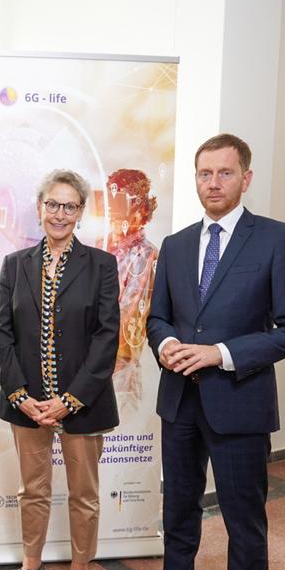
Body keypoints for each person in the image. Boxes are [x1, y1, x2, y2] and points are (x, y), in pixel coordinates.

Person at [119, 134, 285, 570]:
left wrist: (222, 354)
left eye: (224, 173)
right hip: (180, 402)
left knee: (243, 523)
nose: (213, 183)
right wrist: (166, 344)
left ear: (245, 178)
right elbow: (157, 319)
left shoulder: (277, 240)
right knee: (178, 505)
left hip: (239, 405)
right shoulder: (177, 245)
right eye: (205, 173)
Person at [0, 169, 120, 570]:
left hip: (82, 406)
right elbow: (0, 335)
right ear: (40, 207)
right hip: (27, 404)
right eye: (52, 204)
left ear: (81, 212)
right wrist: (19, 394)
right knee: (33, 490)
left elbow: (108, 339)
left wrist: (70, 400)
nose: (59, 213)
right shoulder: (15, 265)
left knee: (84, 493)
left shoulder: (102, 265)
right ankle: (32, 566)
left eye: (69, 206)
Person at [104, 169, 159, 411]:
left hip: (119, 375)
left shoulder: (146, 255)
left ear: (139, 207)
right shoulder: (101, 246)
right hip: (90, 369)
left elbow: (128, 314)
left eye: (120, 201)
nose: (113, 210)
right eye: (110, 200)